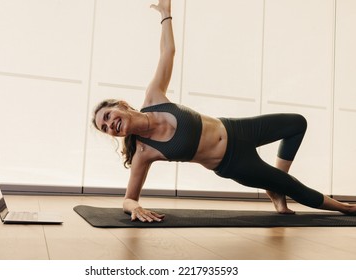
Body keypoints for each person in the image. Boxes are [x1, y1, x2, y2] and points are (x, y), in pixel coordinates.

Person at [92, 0, 356, 223]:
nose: (108, 125)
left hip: (236, 128)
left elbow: (168, 52)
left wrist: (165, 14)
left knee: (297, 123)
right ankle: (346, 208)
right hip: (234, 163)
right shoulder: (143, 152)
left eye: (106, 116)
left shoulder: (154, 97)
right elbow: (129, 198)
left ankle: (275, 186)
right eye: (104, 128)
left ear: (122, 106)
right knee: (296, 190)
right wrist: (134, 208)